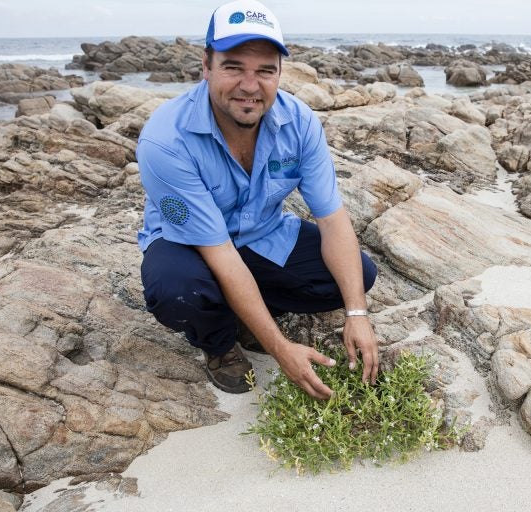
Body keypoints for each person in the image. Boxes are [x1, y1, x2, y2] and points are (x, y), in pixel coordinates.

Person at [136, 0, 379, 399]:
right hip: (192, 246)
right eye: (233, 67)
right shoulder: (166, 141)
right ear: (206, 66)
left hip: (261, 235)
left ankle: (248, 315)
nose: (250, 85)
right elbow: (218, 251)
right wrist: (280, 349)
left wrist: (357, 314)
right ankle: (219, 343)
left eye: (265, 70)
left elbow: (333, 219)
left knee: (357, 276)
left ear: (280, 72)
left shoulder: (299, 122)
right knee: (176, 291)